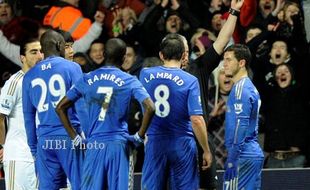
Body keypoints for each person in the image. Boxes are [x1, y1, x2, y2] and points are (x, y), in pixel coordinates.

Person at [55, 38, 155, 189]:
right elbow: (150, 107)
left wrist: (74, 137)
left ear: (103, 54)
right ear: (122, 58)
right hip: (118, 146)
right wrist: (139, 136)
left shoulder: (87, 78)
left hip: (94, 146)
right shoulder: (129, 80)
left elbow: (60, 107)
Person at [139, 33, 212, 189]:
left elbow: (142, 103)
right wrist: (206, 150)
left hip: (155, 141)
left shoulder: (145, 74)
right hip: (182, 143)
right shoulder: (190, 80)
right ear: (184, 55)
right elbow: (197, 119)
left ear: (161, 54)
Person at [22, 30, 85, 190]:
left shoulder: (29, 76)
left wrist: (34, 149)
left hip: (45, 141)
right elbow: (82, 107)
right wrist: (87, 137)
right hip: (70, 137)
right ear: (59, 45)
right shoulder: (72, 67)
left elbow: (28, 117)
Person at [0, 38, 43, 190]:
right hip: (18, 156)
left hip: (41, 156)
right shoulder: (14, 82)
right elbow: (0, 117)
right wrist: (3, 146)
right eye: (33, 52)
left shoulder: (44, 81)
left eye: (41, 51)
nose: (39, 56)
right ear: (22, 58)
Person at [222, 44, 264, 190]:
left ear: (241, 63)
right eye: (224, 60)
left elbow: (241, 124)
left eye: (228, 60)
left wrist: (232, 158)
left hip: (242, 155)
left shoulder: (241, 89)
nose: (224, 64)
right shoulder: (249, 87)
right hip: (249, 153)